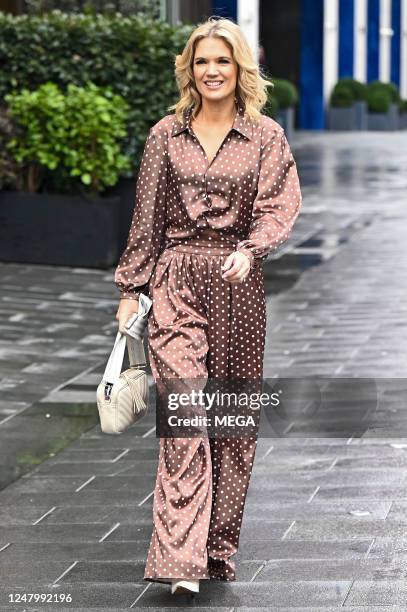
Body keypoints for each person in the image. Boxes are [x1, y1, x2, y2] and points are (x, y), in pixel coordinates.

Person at [114, 16, 302, 596]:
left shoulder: (267, 135)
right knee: (187, 418)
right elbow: (145, 218)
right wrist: (131, 288)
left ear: (240, 67)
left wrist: (253, 249)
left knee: (231, 423)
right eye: (202, 62)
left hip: (238, 286)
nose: (212, 71)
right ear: (189, 70)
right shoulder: (164, 135)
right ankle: (179, 561)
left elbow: (280, 204)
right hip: (176, 283)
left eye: (222, 61)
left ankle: (216, 551)